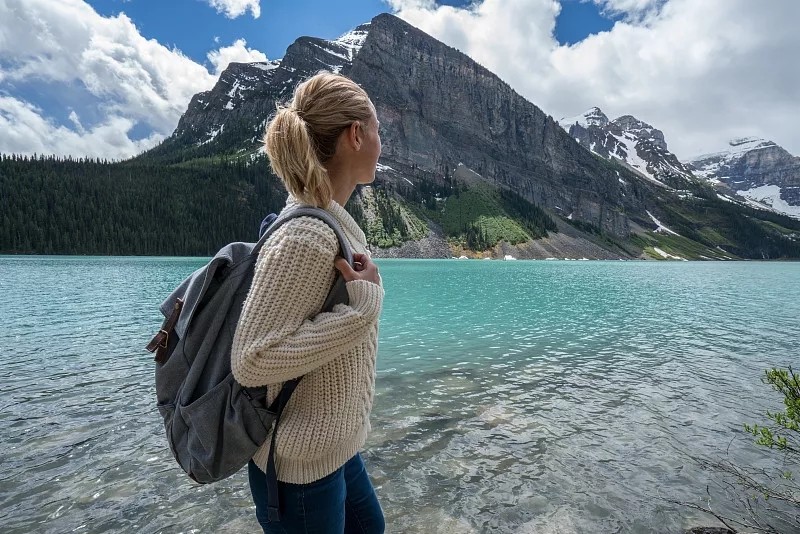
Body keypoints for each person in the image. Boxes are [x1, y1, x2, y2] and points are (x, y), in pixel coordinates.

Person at [230, 71, 386, 534]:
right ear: (356, 135)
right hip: (298, 469)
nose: (382, 142)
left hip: (332, 448)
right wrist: (360, 311)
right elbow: (252, 359)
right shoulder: (306, 234)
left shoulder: (328, 221)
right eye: (379, 130)